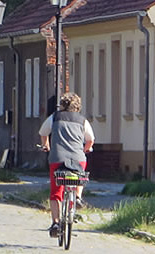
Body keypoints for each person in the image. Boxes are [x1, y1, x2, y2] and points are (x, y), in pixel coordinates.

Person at [38, 92, 95, 238]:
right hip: (77, 158)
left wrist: (46, 145)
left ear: (62, 105)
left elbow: (43, 132)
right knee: (80, 175)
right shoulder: (83, 121)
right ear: (78, 106)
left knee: (56, 191)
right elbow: (90, 139)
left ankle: (56, 222)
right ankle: (77, 196)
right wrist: (86, 149)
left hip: (58, 157)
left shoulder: (55, 117)